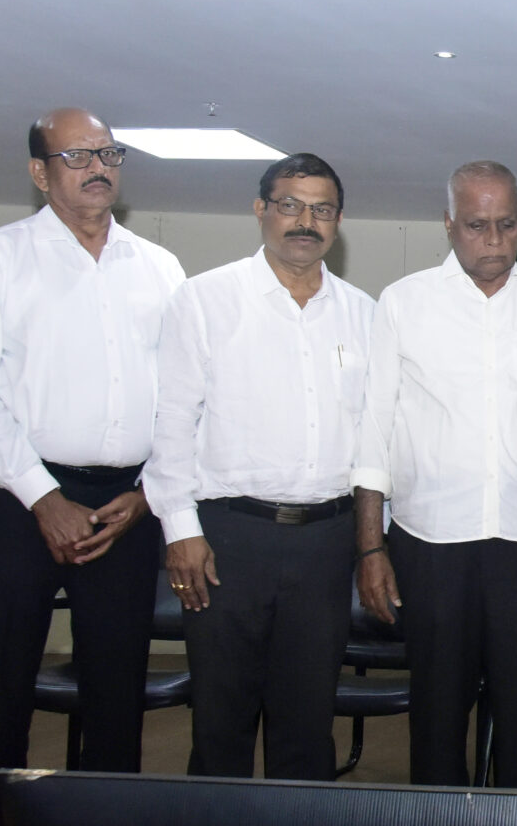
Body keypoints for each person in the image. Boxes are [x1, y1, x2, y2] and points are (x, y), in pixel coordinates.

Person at [0, 107, 186, 826]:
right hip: (18, 496)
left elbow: (182, 396)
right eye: (76, 155)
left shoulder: (158, 267)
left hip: (126, 505)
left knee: (115, 696)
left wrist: (149, 494)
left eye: (108, 152)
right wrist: (42, 496)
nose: (97, 166)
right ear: (40, 173)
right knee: (2, 690)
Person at [146, 153, 376, 781]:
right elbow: (172, 422)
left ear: (338, 221)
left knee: (308, 720)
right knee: (222, 719)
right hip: (228, 539)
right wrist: (180, 530)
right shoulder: (205, 299)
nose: (306, 221)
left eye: (322, 209)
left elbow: (374, 435)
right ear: (261, 210)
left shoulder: (363, 313)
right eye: (290, 205)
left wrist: (370, 541)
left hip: (326, 542)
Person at [353, 162, 517, 789]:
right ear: (449, 224)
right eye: (477, 225)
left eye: (507, 225)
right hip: (431, 541)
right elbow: (374, 429)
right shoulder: (404, 302)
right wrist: (370, 547)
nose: (493, 240)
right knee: (438, 713)